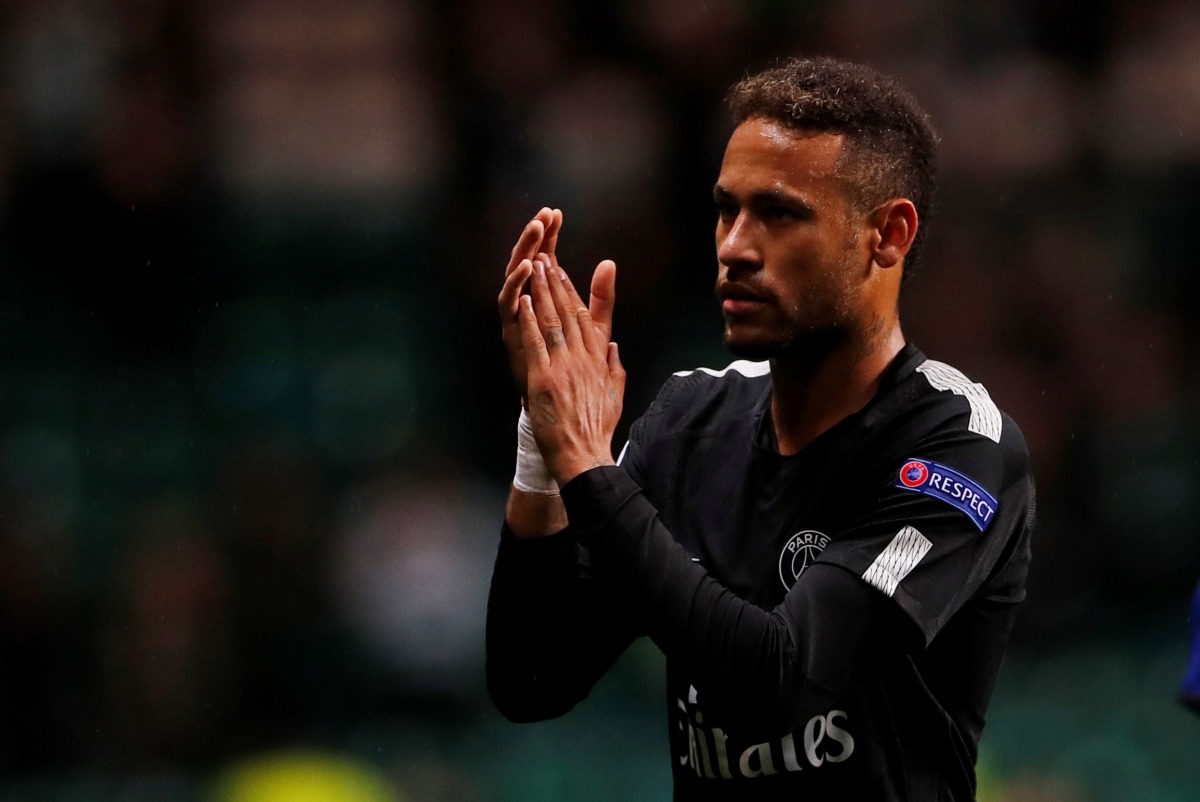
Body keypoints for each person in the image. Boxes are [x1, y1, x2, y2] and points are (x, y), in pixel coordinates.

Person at [487, 56, 1035, 801]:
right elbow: (532, 681)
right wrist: (542, 454)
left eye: (779, 213)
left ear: (888, 234)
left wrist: (586, 463)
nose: (734, 247)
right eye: (726, 209)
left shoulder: (957, 445)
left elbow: (786, 679)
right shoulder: (688, 424)